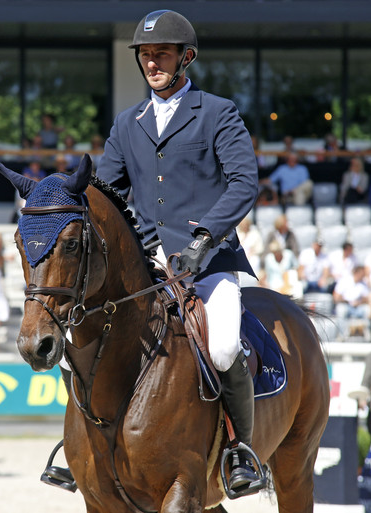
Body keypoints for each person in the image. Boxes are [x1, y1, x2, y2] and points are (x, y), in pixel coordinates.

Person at [95, 10, 261, 493]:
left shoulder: (217, 112)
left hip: (208, 262)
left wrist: (204, 238)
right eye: (146, 55)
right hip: (149, 266)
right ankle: (81, 445)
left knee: (225, 344)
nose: (152, 62)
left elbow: (243, 182)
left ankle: (240, 451)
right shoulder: (128, 124)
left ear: (185, 57)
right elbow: (107, 193)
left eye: (161, 53)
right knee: (89, 332)